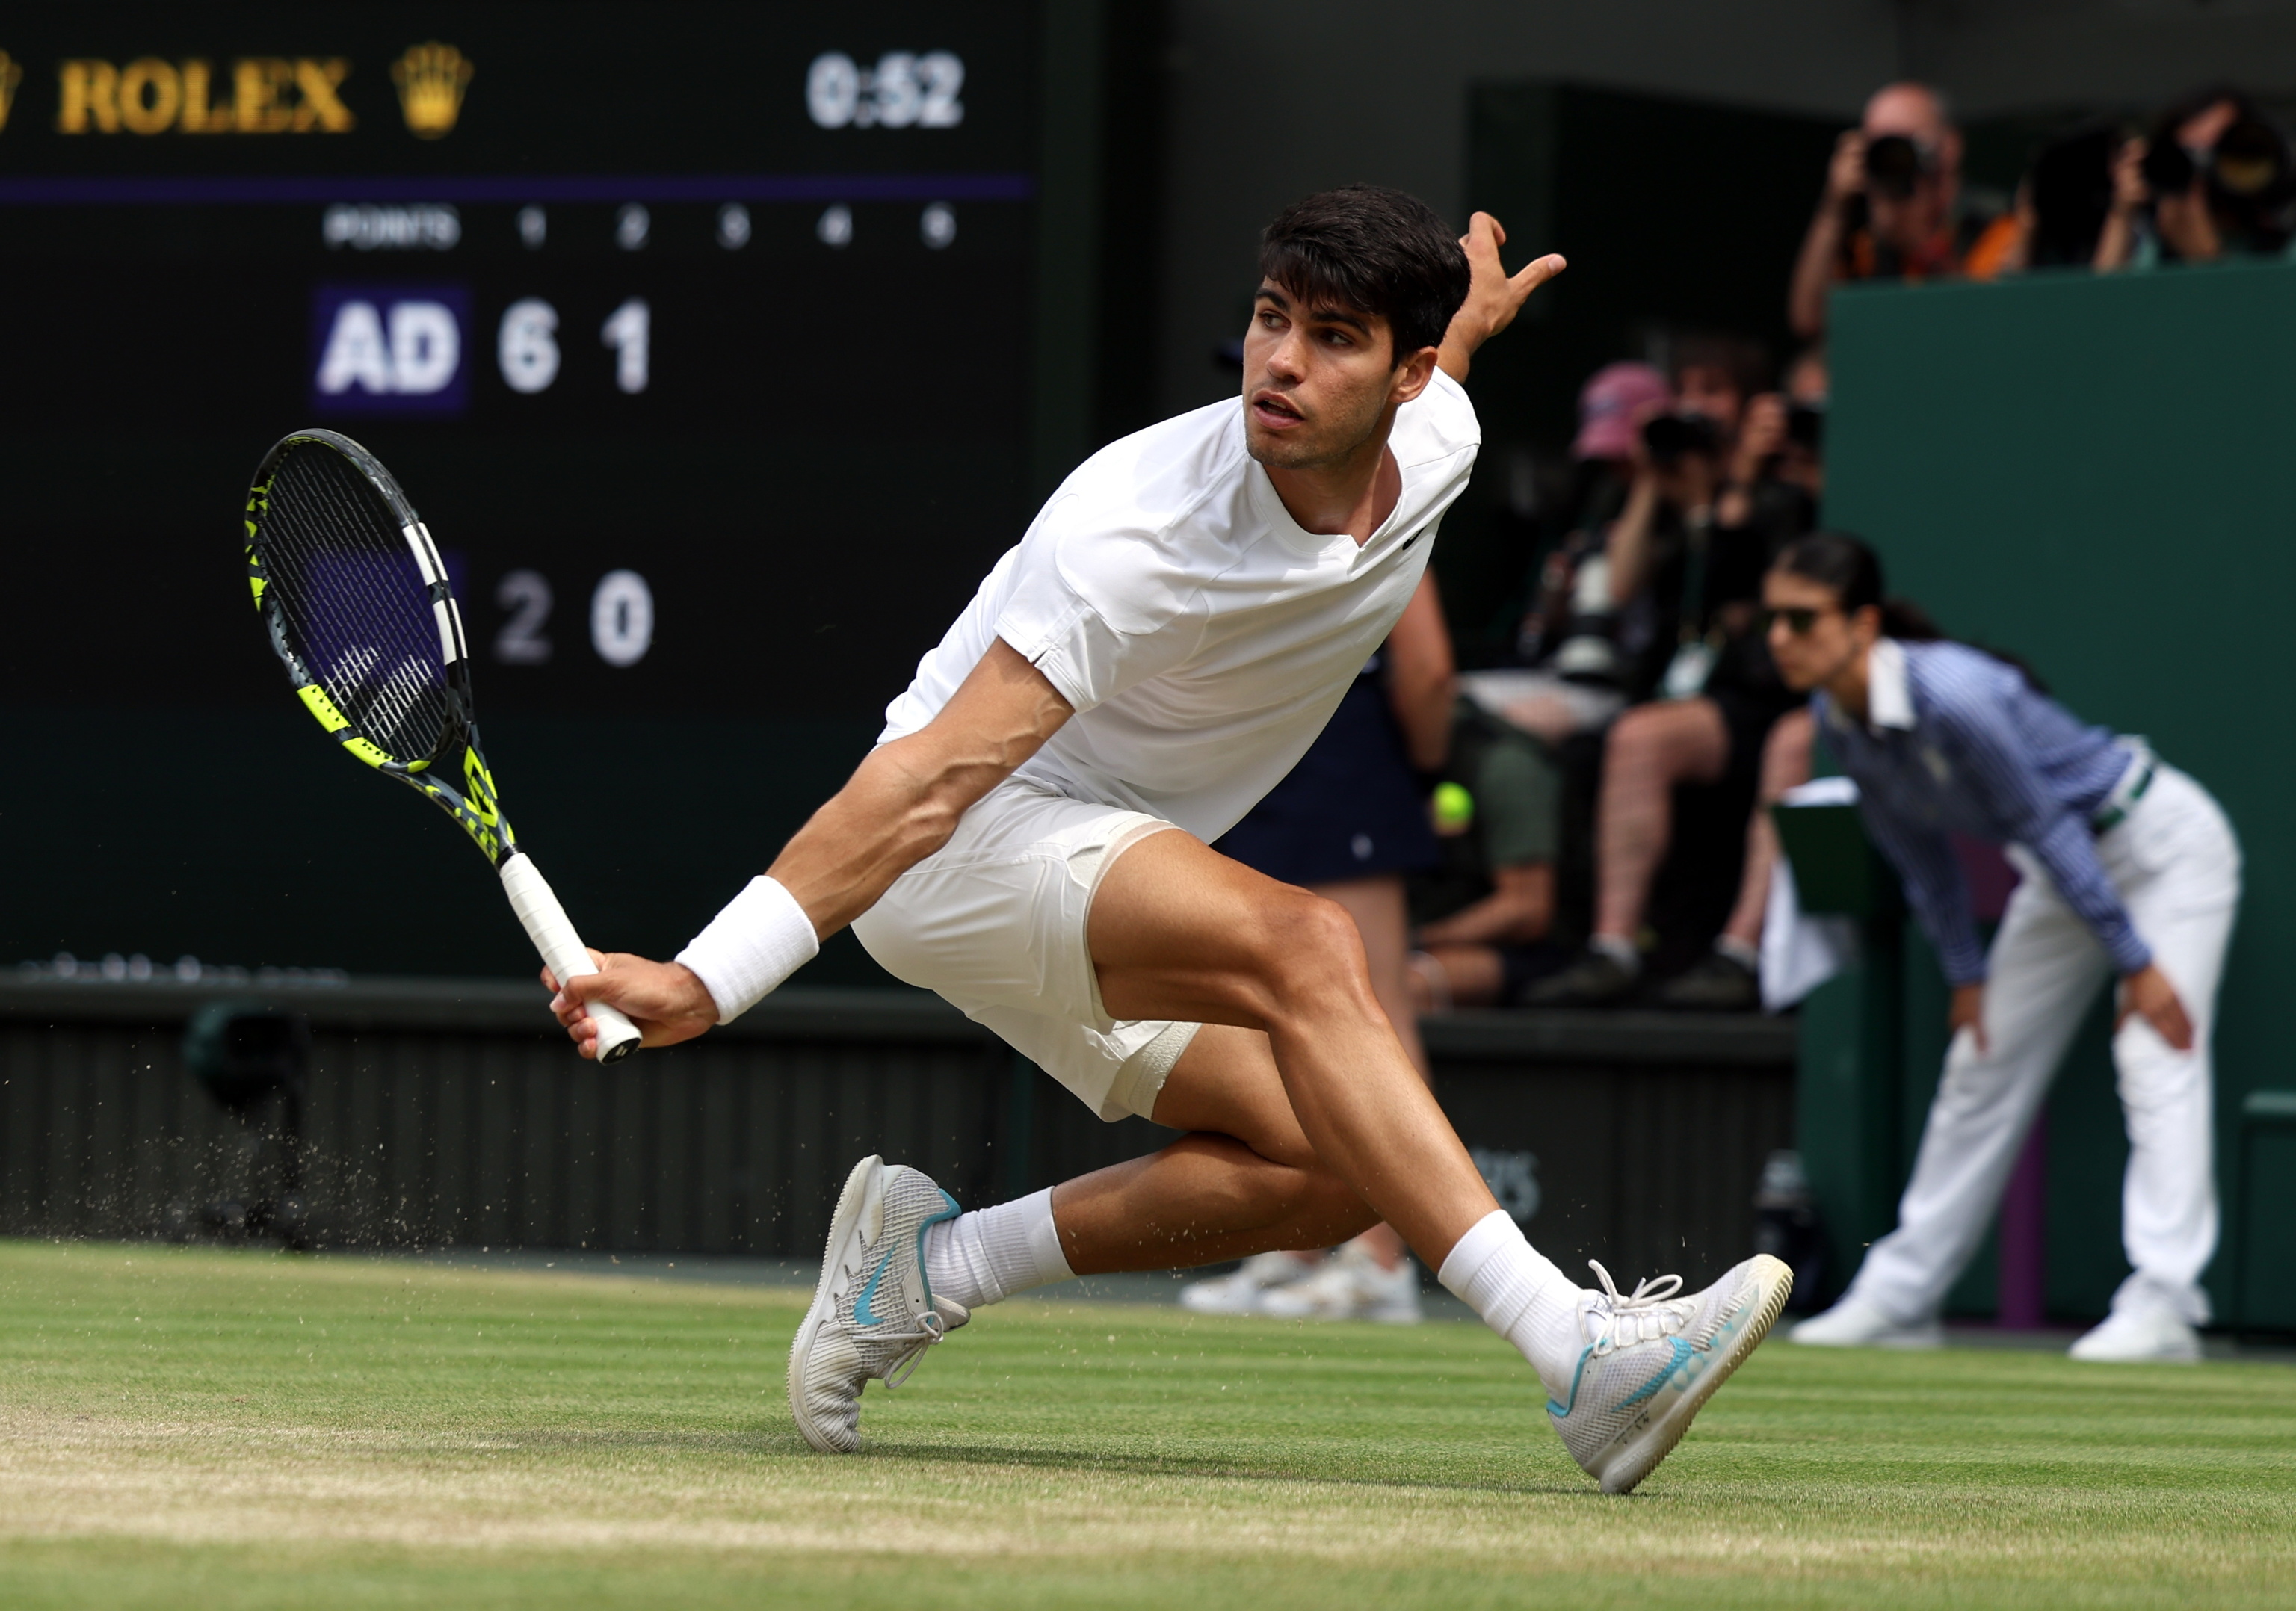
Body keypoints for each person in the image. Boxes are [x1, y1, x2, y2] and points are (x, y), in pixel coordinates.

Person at [545, 185, 1790, 1491]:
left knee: (1332, 1167)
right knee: (1309, 942)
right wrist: (705, 978)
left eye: (1334, 336)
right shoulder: (1133, 530)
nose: (1284, 363)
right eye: (1269, 322)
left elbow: (1448, 360)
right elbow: (922, 782)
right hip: (961, 844)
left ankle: (930, 1267)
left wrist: (1464, 314)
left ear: (1408, 374)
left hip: (1103, 845)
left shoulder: (1439, 433)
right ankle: (1576, 1351)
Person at [1768, 534, 2239, 1363]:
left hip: (2163, 846)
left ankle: (2166, 1302)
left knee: (2152, 1049)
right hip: (2067, 875)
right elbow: (1923, 857)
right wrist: (1966, 972)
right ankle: (1901, 1295)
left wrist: (2136, 960)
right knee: (1978, 1063)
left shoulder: (1956, 694)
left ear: (1862, 622)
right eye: (1772, 619)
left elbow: (2042, 822)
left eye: (1801, 618)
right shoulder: (1836, 718)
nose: (1780, 637)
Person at [1182, 569, 1454, 1323]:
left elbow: (1429, 672)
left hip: (1336, 759)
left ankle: (1380, 1256)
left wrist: (1419, 770)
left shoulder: (1389, 511)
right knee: (1267, 1012)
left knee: (1373, 1012)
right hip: (1256, 756)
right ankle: (1299, 1244)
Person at [1527, 339, 1817, 1011]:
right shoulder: (1683, 490)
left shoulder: (1785, 486)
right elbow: (1621, 585)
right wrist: (1658, 488)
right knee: (1636, 738)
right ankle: (1614, 946)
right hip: (1696, 699)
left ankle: (1741, 953)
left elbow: (1767, 581)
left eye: (1714, 390)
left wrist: (1738, 486)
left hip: (1770, 695)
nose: (1696, 407)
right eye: (1686, 390)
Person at [1789, 82, 2019, 341]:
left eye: (1905, 143)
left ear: (1950, 147)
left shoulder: (1995, 227)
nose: (1894, 157)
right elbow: (1809, 319)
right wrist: (1834, 209)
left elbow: (1992, 325)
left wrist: (1921, 246)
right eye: (1880, 145)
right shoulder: (1873, 245)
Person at [1407, 696, 1567, 1009]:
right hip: (1422, 938)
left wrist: (1417, 940)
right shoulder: (1385, 769)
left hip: (1534, 954)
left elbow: (1526, 911)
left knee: (1391, 990)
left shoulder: (1503, 766)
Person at [2096, 88, 2296, 272]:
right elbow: (2101, 302)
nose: (2205, 171)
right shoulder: (2155, 246)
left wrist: (2205, 258)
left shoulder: (2281, 247)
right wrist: (2123, 213)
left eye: (2220, 148)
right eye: (2191, 153)